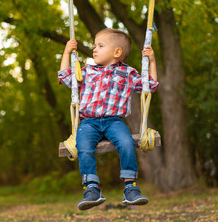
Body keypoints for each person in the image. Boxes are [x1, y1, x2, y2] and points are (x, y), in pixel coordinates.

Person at [58, 28, 159, 210]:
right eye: (95, 45)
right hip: (89, 122)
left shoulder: (127, 73)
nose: (94, 49)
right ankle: (91, 188)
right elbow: (65, 78)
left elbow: (149, 86)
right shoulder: (87, 71)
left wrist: (151, 61)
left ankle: (130, 188)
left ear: (117, 52)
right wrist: (66, 52)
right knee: (84, 147)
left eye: (100, 46)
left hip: (114, 121)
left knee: (127, 143)